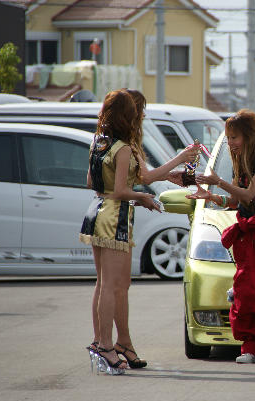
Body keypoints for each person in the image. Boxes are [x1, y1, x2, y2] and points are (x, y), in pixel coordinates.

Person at [80, 89, 199, 374]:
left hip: (97, 209)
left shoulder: (99, 141)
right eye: (137, 110)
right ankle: (106, 346)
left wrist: (130, 190)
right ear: (127, 114)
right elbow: (128, 187)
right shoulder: (123, 147)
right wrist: (142, 196)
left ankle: (109, 342)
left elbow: (91, 182)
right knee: (112, 286)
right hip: (114, 215)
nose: (140, 114)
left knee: (105, 284)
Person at [190, 109, 255, 364]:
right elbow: (236, 202)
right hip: (247, 234)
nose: (230, 142)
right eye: (228, 137)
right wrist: (211, 196)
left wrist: (218, 181)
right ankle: (250, 346)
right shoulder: (240, 161)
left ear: (248, 136)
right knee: (245, 292)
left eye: (234, 137)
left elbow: (248, 195)